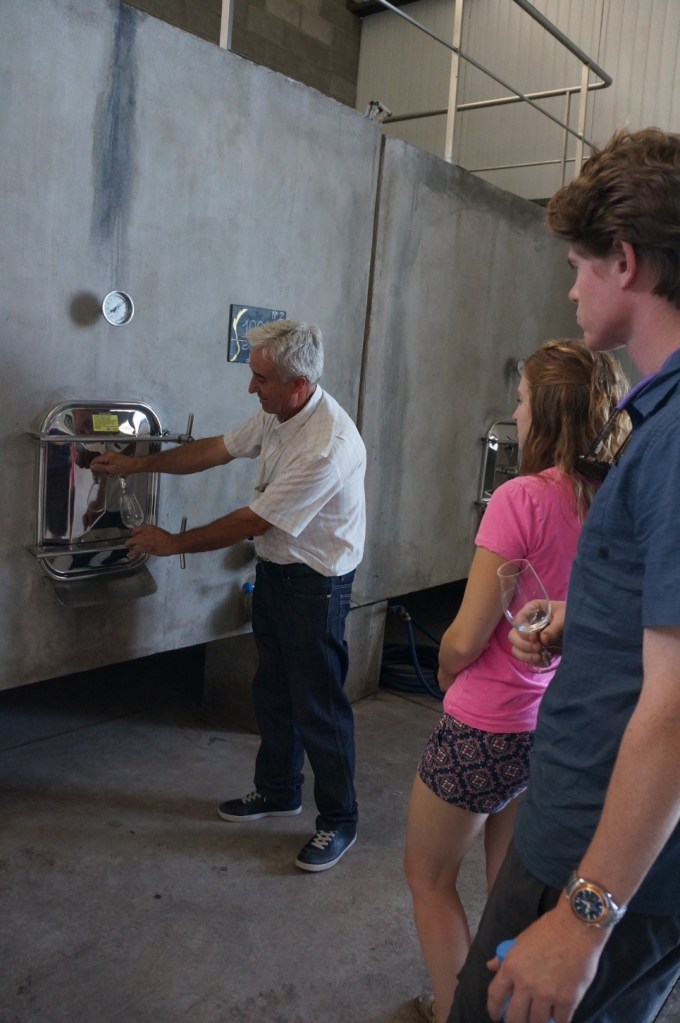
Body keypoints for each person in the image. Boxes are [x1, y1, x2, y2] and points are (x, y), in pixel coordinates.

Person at [448, 128, 680, 1023]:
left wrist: (584, 918)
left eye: (581, 265)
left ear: (625, 261)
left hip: (599, 861)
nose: (572, 287)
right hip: (594, 842)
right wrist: (582, 618)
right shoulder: (654, 421)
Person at [404, 341, 628, 1023]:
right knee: (508, 891)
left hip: (481, 723)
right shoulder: (611, 496)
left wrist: (444, 668)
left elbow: (468, 637)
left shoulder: (521, 496)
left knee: (428, 877)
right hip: (545, 725)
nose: (515, 409)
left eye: (524, 399)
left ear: (548, 413)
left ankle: (454, 1010)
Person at [91, 319, 366, 873]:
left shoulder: (326, 446)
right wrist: (137, 464)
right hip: (276, 572)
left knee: (319, 707)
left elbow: (250, 521)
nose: (250, 388)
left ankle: (339, 820)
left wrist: (172, 544)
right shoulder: (279, 412)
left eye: (260, 378)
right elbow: (216, 449)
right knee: (272, 692)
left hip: (316, 584)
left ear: (299, 384)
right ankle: (279, 790)